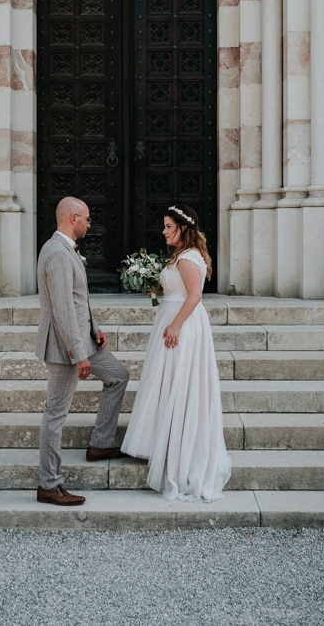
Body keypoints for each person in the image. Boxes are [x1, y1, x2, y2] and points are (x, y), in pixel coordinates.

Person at [121, 205, 231, 502]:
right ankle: (166, 441)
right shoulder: (178, 258)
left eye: (169, 226)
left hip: (182, 325)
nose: (164, 231)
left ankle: (180, 448)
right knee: (165, 380)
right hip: (171, 318)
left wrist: (176, 325)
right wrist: (154, 288)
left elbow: (195, 295)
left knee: (181, 381)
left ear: (183, 228)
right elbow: (176, 290)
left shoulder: (189, 258)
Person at [36, 196, 129, 506]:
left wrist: (95, 328)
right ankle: (49, 484)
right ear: (73, 219)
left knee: (118, 376)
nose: (91, 224)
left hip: (85, 338)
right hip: (65, 348)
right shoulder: (57, 254)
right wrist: (79, 355)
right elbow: (62, 310)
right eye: (87, 219)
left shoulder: (66, 251)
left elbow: (77, 300)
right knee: (56, 414)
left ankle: (101, 443)